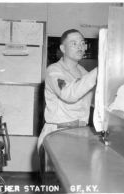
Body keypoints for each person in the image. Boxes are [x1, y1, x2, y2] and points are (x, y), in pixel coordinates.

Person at [37, 29, 98, 171]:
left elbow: (94, 102)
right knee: (56, 188)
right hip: (57, 135)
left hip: (79, 134)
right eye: (74, 43)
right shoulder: (54, 71)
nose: (80, 47)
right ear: (63, 48)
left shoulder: (84, 72)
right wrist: (98, 71)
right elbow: (68, 94)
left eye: (83, 43)